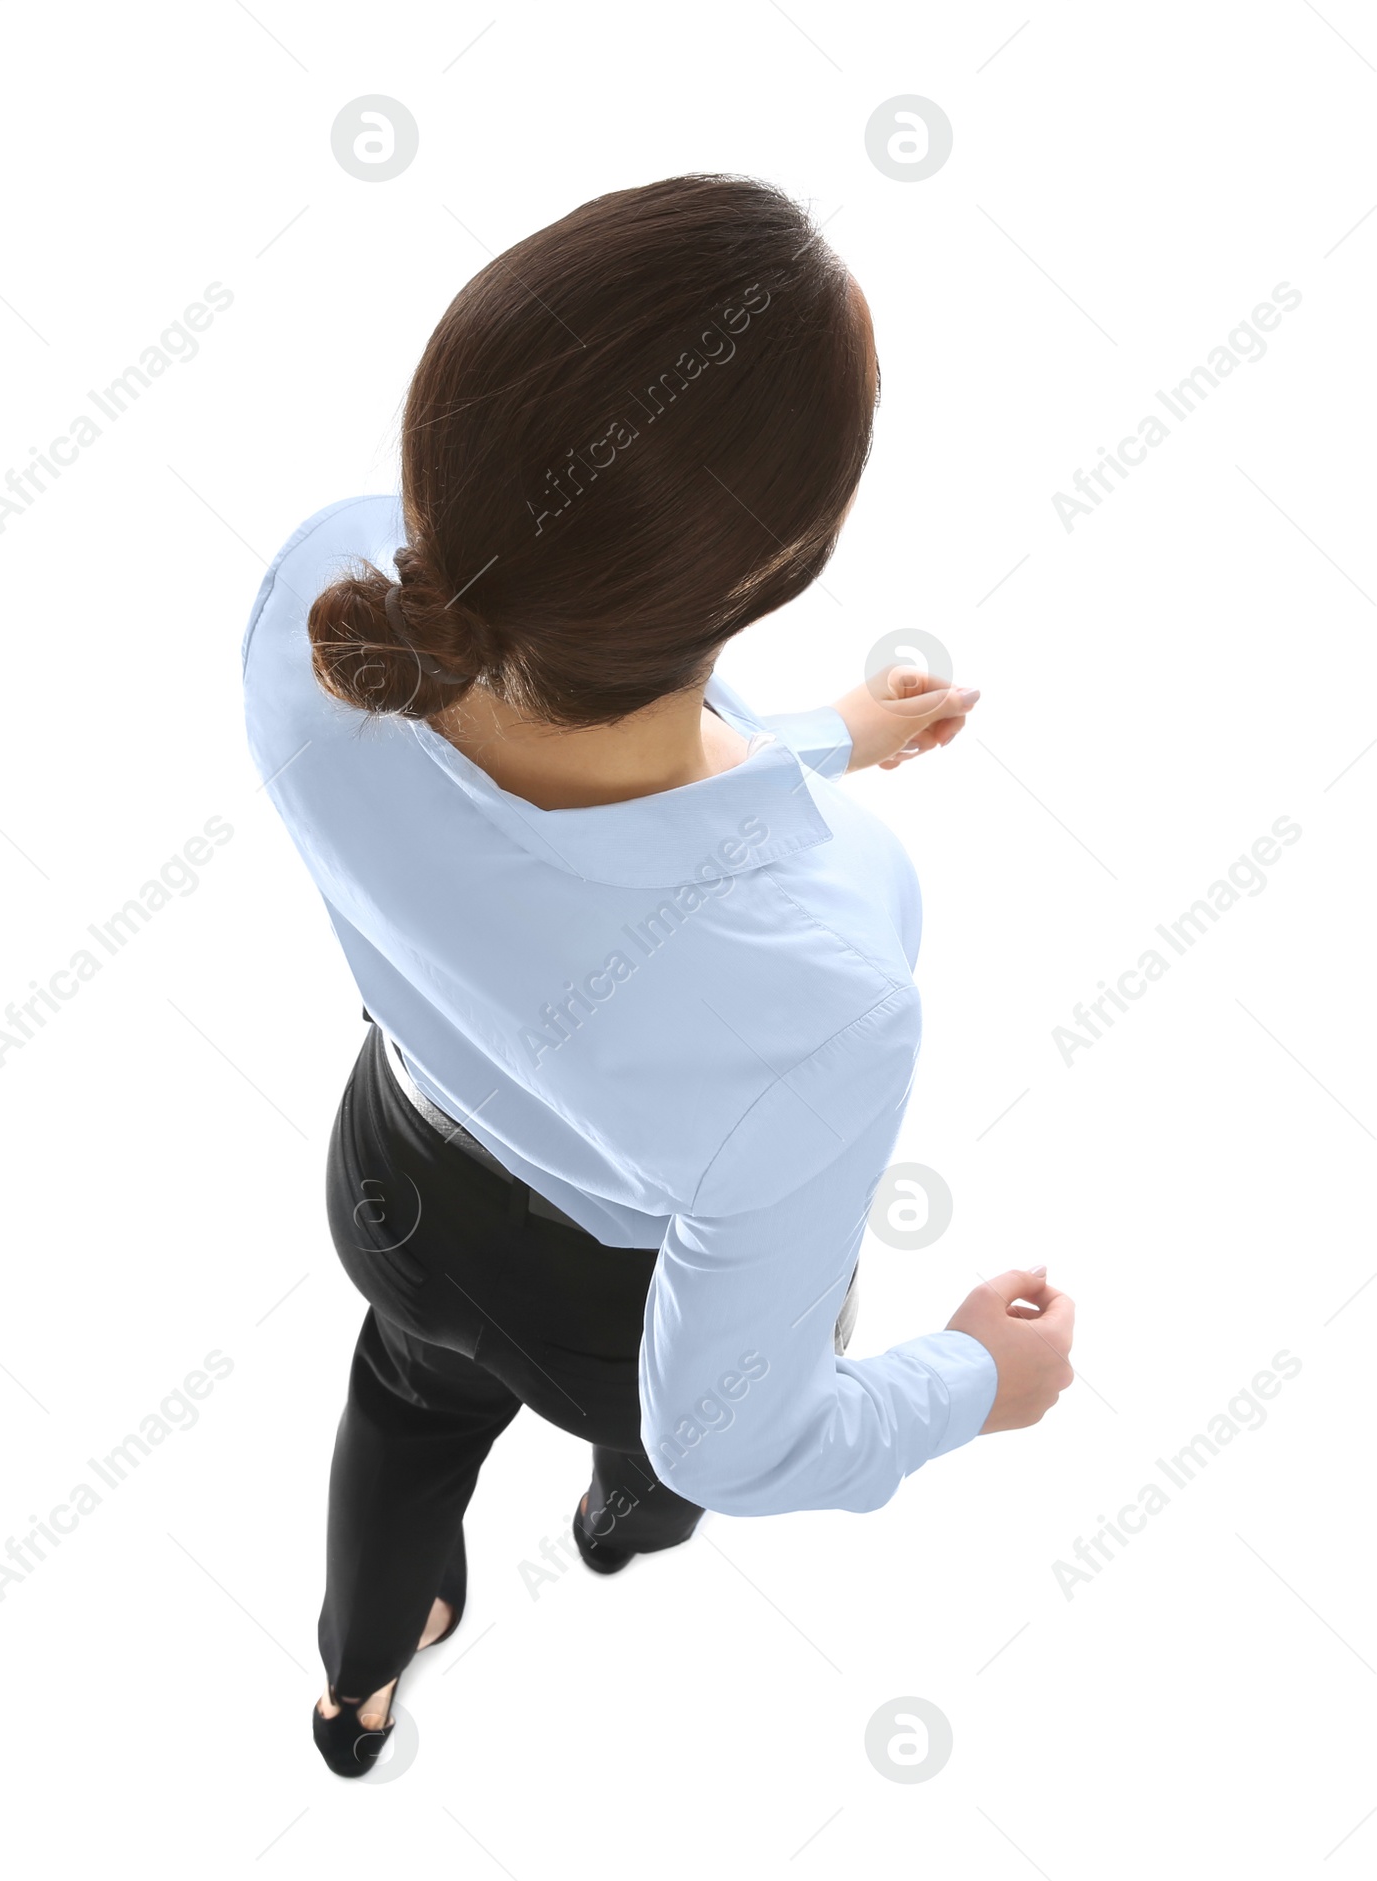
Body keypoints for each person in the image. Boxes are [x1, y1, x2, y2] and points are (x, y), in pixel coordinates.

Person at [241, 173, 1075, 1778]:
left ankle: (359, 1680)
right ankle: (617, 1534)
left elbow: (572, 755)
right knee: (652, 1463)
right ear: (770, 567)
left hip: (392, 1183)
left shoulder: (320, 600)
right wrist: (976, 1378)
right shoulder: (830, 975)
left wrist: (826, 732)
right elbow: (733, 1429)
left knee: (403, 1408)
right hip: (608, 1320)